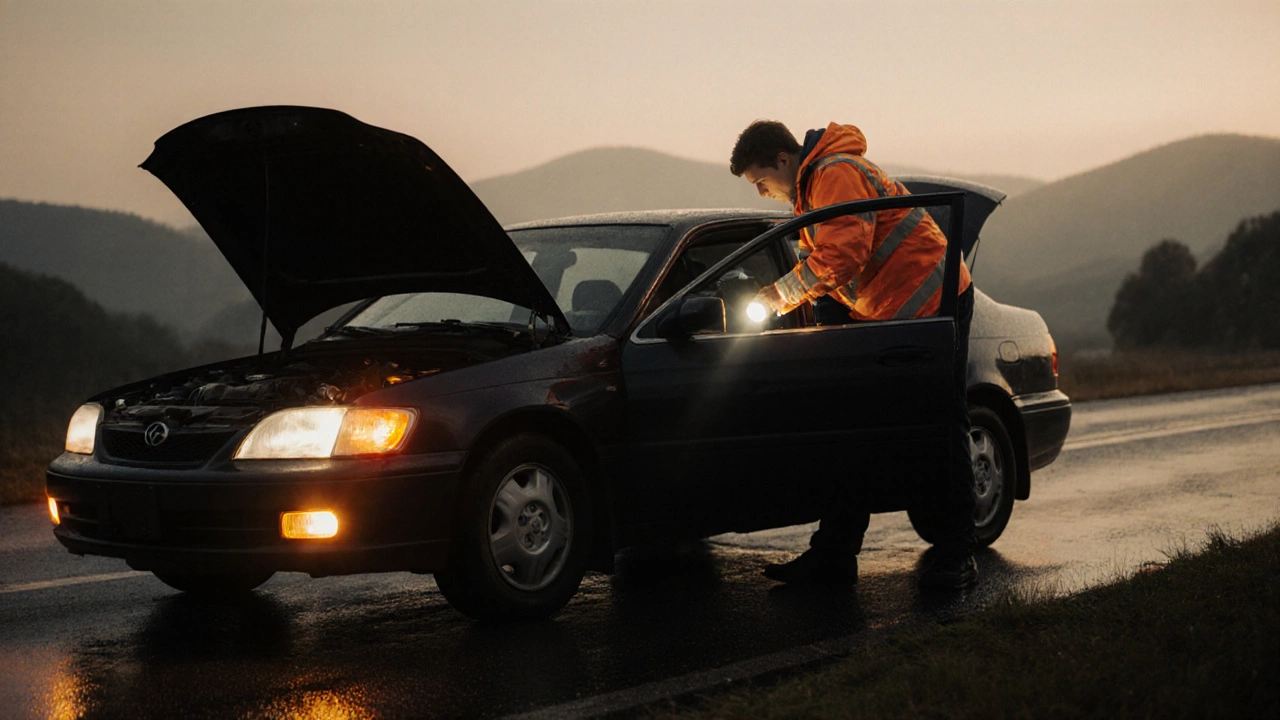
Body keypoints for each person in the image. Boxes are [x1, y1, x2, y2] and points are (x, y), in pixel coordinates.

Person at [729, 120, 979, 589]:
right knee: (855, 432)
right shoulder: (815, 186)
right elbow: (836, 264)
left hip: (932, 304)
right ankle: (834, 556)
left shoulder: (834, 173)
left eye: (761, 182)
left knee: (942, 426)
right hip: (892, 314)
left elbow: (842, 257)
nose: (763, 194)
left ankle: (957, 554)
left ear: (783, 160)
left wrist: (776, 299)